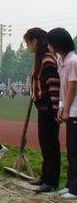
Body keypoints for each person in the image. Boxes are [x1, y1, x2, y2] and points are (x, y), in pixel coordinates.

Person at [24, 28, 61, 193]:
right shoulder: (41, 59)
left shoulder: (47, 60)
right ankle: (46, 177)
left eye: (28, 43)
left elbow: (54, 85)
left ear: (35, 41)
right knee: (45, 143)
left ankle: (52, 181)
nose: (27, 47)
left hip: (48, 107)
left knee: (50, 144)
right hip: (42, 106)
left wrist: (54, 110)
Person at [47, 28, 77, 199]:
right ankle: (70, 184)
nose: (49, 46)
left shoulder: (73, 60)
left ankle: (75, 189)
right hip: (68, 109)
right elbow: (63, 88)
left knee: (75, 150)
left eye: (50, 43)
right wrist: (60, 106)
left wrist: (66, 109)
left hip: (75, 110)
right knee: (71, 149)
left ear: (57, 43)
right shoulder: (61, 60)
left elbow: (72, 87)